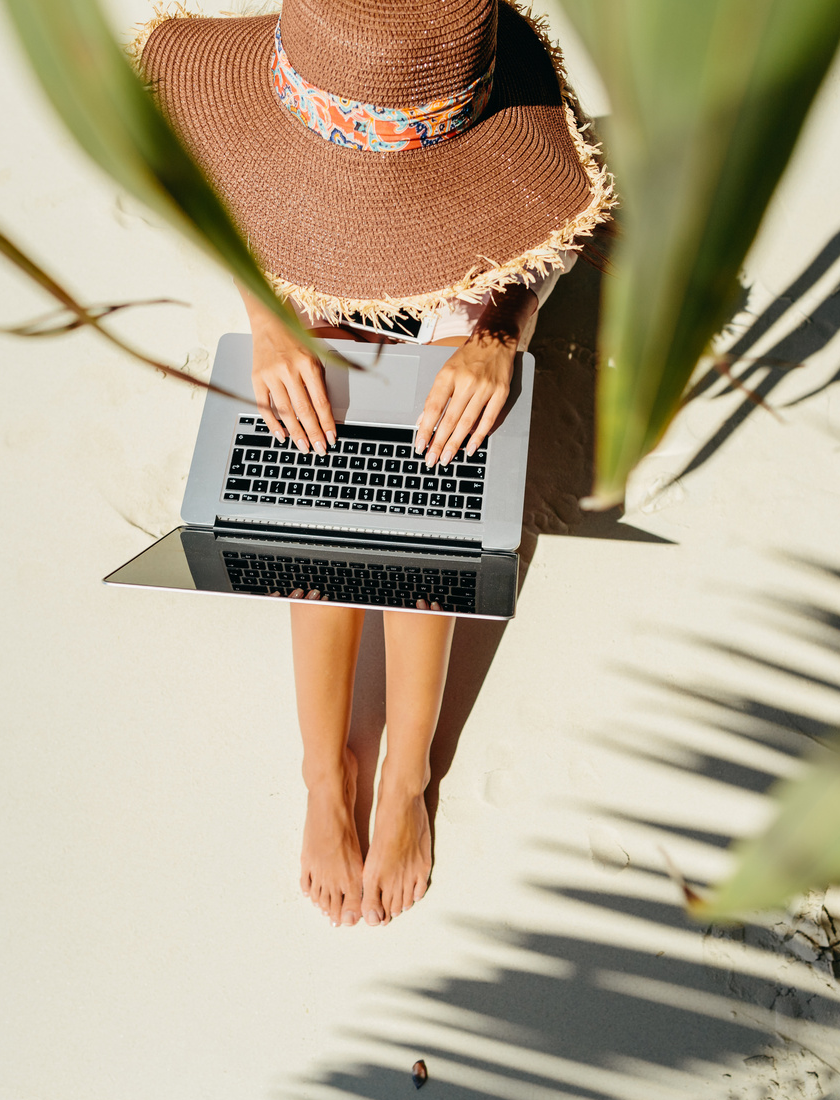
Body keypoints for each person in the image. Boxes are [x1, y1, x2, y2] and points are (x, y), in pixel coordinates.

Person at [137, 0, 612, 926]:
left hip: (465, 286)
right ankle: (325, 771)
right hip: (309, 263)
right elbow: (211, 199)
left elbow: (551, 239)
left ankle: (405, 774)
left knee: (434, 466)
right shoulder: (298, 95)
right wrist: (267, 323)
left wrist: (500, 338)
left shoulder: (494, 109)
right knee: (309, 456)